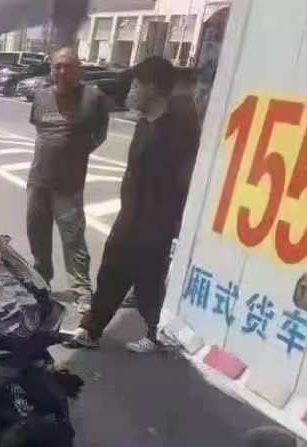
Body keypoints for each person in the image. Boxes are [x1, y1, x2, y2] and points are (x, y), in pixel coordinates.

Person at [67, 56, 201, 353]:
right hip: (131, 218)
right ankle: (94, 330)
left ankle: (150, 333)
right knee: (118, 275)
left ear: (151, 87)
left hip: (153, 225)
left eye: (135, 86)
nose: (130, 92)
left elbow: (180, 185)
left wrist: (166, 228)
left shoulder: (176, 134)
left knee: (143, 281)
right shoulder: (144, 125)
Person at [27, 46, 110, 314]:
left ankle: (82, 291)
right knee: (37, 236)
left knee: (73, 239)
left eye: (68, 66)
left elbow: (100, 134)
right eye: (57, 66)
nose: (62, 71)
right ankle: (41, 281)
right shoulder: (41, 97)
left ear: (79, 70)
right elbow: (40, 131)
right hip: (38, 182)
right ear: (51, 69)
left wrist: (76, 153)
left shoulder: (93, 97)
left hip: (69, 185)